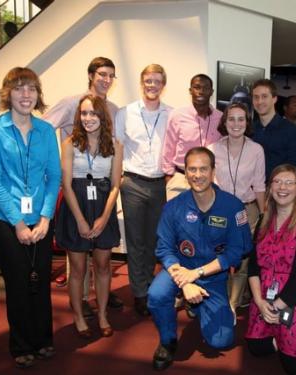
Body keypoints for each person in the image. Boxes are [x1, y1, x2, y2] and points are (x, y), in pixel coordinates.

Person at [0, 67, 61, 368]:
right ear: (8, 93)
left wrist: (44, 218)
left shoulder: (45, 131)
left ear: (38, 95)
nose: (26, 95)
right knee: (17, 283)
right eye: (19, 88)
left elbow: (54, 177)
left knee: (39, 282)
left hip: (40, 220)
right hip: (5, 220)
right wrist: (18, 223)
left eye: (31, 89)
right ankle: (21, 344)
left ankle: (43, 339)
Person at [148, 147, 252, 371]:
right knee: (156, 294)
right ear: (185, 173)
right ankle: (167, 341)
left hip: (212, 276)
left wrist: (197, 275)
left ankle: (199, 306)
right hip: (178, 270)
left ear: (213, 171)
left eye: (203, 169)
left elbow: (236, 252)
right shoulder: (173, 207)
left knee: (221, 341)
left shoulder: (232, 206)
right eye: (192, 169)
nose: (198, 175)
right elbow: (164, 248)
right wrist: (185, 281)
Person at [43, 57, 123, 312]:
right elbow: (43, 129)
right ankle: (83, 303)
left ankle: (100, 298)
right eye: (101, 74)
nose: (106, 79)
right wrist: (50, 166)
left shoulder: (114, 109)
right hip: (75, 183)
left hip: (101, 187)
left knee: (102, 258)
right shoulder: (71, 103)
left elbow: (117, 147)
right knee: (77, 260)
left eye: (111, 75)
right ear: (90, 75)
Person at [245, 164, 296, 375]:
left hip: (293, 298)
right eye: (278, 182)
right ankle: (279, 336)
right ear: (270, 188)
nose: (283, 187)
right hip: (263, 296)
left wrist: (276, 307)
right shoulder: (263, 220)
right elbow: (253, 266)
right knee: (256, 348)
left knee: (293, 366)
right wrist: (260, 302)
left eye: (289, 182)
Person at [56, 94, 122, 338]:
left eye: (93, 113)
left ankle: (103, 314)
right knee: (78, 269)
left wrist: (104, 218)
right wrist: (81, 220)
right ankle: (79, 316)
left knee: (103, 266)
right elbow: (66, 184)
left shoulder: (115, 145)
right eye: (84, 113)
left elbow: (116, 185)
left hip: (103, 207)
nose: (88, 118)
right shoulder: (69, 144)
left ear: (102, 116)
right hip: (76, 208)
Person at [115, 64, 172, 316]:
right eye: (148, 81)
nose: (152, 85)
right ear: (142, 83)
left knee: (153, 240)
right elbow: (118, 149)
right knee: (135, 241)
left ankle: (148, 285)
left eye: (157, 81)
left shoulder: (171, 114)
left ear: (163, 84)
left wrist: (167, 176)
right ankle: (139, 292)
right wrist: (118, 182)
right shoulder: (125, 113)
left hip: (159, 184)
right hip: (133, 184)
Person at [208, 102, 265, 313]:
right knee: (220, 257)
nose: (236, 123)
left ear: (247, 123)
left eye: (241, 119)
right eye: (231, 118)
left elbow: (259, 185)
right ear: (224, 122)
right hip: (219, 211)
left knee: (242, 260)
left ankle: (233, 304)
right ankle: (220, 300)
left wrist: (264, 214)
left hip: (246, 211)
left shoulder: (256, 150)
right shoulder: (212, 149)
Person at [161, 74, 222, 200]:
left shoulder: (220, 118)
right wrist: (169, 177)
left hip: (210, 182)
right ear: (190, 91)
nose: (201, 91)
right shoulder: (177, 115)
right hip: (181, 179)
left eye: (205, 88)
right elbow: (168, 148)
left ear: (212, 92)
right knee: (178, 219)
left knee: (205, 220)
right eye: (197, 87)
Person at [251, 79, 296, 181]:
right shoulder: (250, 129)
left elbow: (293, 168)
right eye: (256, 97)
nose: (259, 101)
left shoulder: (290, 130)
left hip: (279, 191)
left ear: (274, 99)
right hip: (252, 192)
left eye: (264, 96)